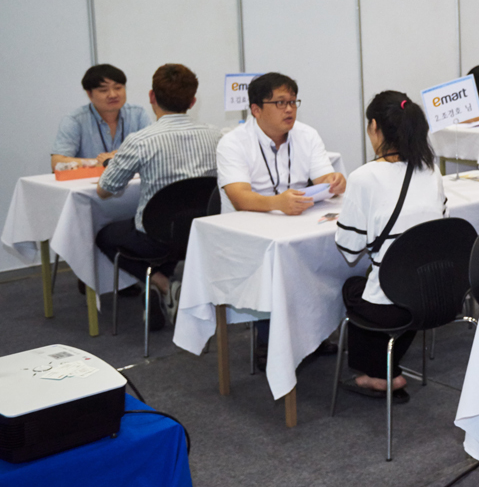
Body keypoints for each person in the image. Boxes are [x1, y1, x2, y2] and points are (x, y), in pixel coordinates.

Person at [334, 91, 446, 401]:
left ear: (374, 126)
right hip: (433, 297)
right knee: (395, 281)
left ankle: (377, 375)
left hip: (393, 305)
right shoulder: (431, 170)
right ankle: (388, 368)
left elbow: (349, 250)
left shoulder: (363, 177)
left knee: (354, 288)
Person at [94, 64, 222, 331]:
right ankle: (164, 285)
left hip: (154, 239)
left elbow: (105, 190)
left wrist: (112, 164)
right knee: (174, 228)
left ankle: (162, 284)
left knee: (104, 235)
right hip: (202, 235)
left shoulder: (140, 141)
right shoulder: (216, 136)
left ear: (152, 97)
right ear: (193, 101)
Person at [216, 72, 347, 215]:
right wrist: (277, 203)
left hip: (296, 218)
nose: (289, 109)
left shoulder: (308, 135)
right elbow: (240, 198)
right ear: (256, 110)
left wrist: (334, 183)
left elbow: (323, 180)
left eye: (292, 102)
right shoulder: (232, 143)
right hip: (246, 222)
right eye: (280, 103)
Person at [51, 63, 154, 170]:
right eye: (104, 90)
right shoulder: (75, 120)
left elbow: (152, 152)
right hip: (90, 180)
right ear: (89, 94)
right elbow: (57, 162)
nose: (113, 95)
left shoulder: (138, 114)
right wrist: (102, 162)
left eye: (118, 88)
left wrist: (113, 160)